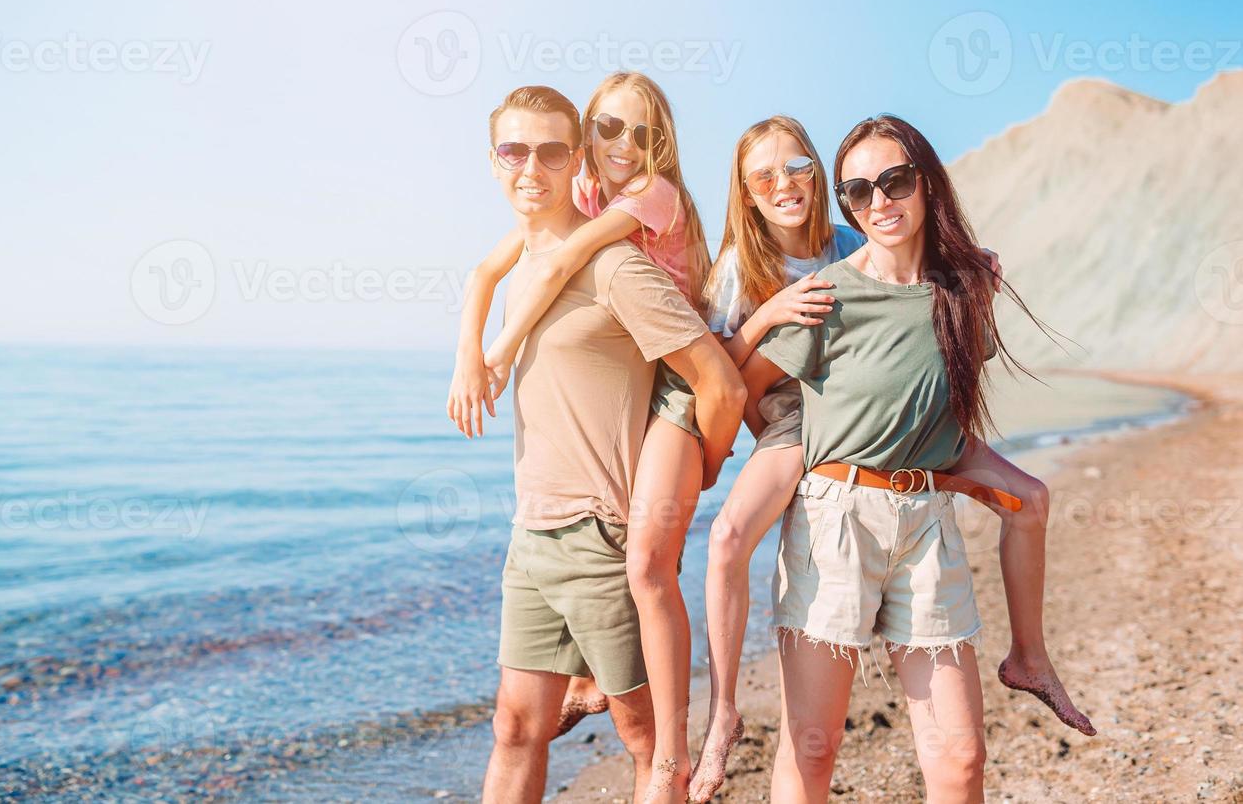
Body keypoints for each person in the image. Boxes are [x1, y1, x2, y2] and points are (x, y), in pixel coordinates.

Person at [689, 117, 1092, 800]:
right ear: (846, 202)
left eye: (896, 181)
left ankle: (1030, 656)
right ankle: (720, 713)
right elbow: (744, 390)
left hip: (927, 525)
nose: (880, 202)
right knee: (813, 750)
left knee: (961, 760)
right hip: (834, 521)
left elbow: (939, 388)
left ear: (927, 183)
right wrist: (791, 452)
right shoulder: (827, 293)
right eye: (860, 191)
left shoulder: (963, 290)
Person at [451, 72, 741, 802]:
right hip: (533, 533)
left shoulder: (617, 264)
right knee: (516, 727)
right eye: (513, 152)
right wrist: (474, 352)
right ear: (492, 161)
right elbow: (488, 276)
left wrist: (701, 473)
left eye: (551, 154)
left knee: (645, 740)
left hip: (603, 536)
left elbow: (719, 383)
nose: (531, 168)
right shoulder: (523, 267)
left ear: (573, 159)